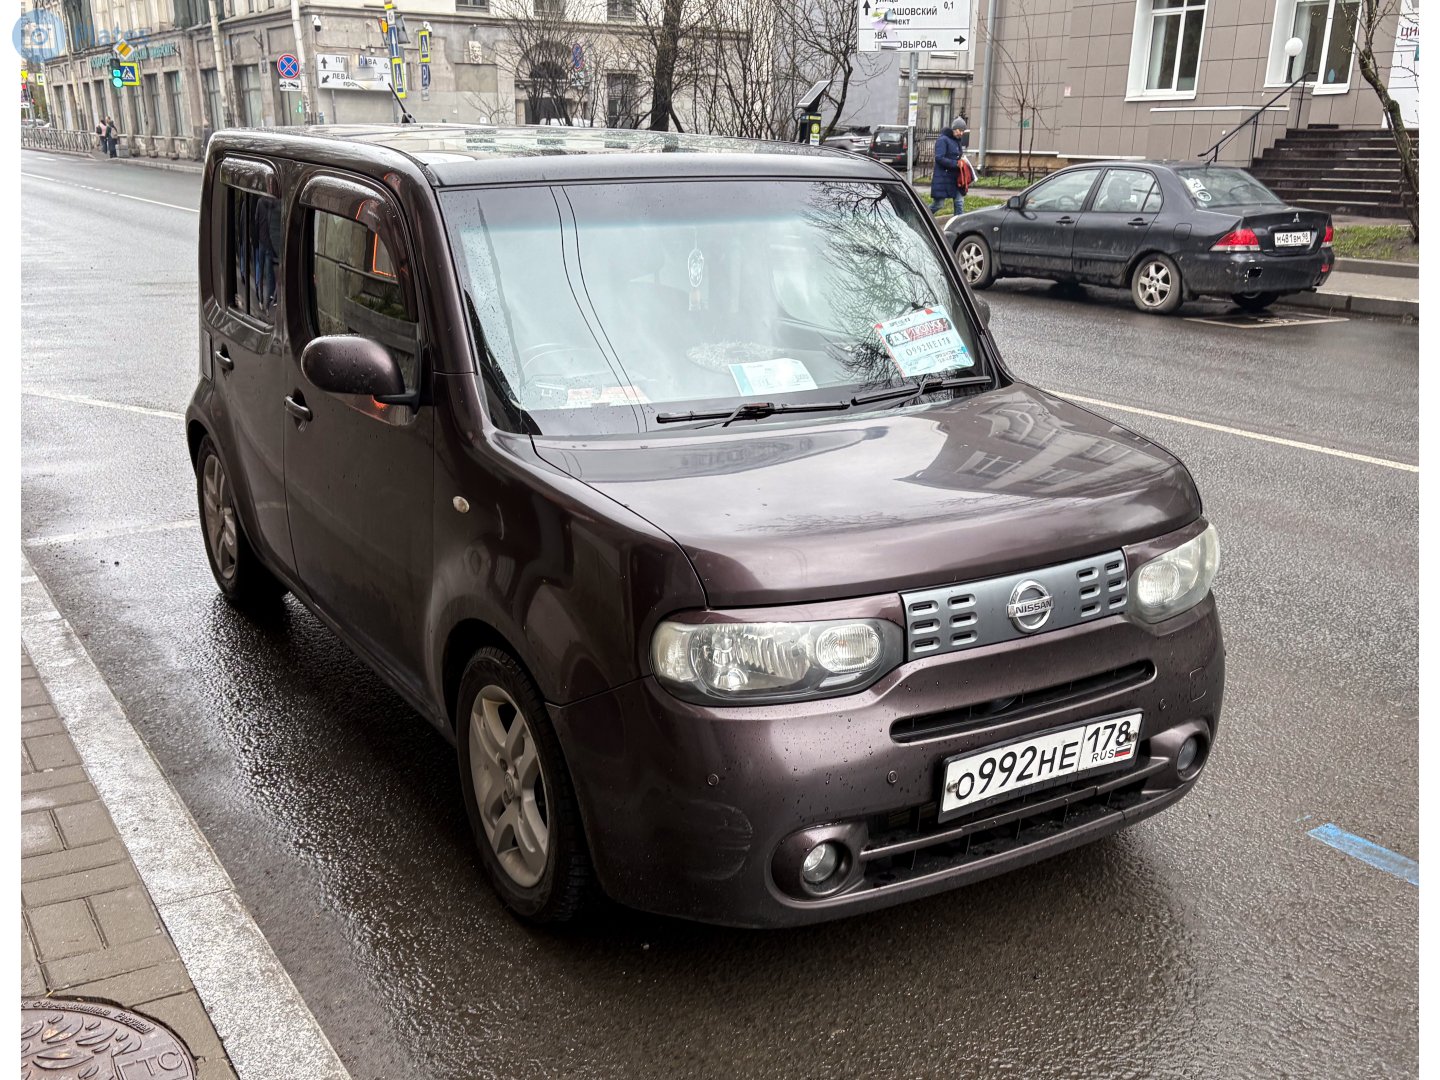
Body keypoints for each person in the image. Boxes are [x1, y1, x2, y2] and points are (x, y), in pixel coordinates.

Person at [929, 116, 970, 217]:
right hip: (943, 177)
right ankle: (921, 217)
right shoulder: (943, 140)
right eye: (960, 130)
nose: (961, 133)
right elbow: (939, 158)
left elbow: (957, 156)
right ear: (954, 128)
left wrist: (962, 160)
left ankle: (958, 224)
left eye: (963, 131)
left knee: (959, 203)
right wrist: (956, 163)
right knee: (938, 204)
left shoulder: (957, 141)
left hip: (956, 178)